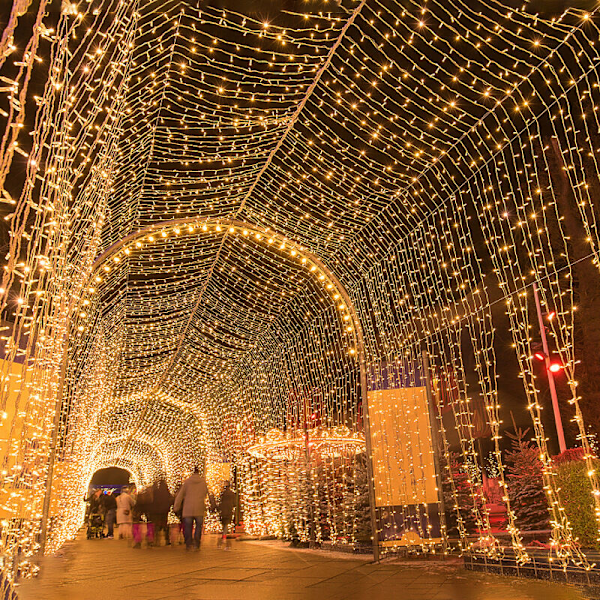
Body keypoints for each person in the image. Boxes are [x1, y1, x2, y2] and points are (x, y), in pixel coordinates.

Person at [173, 467, 210, 551]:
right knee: (198, 526)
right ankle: (197, 542)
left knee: (188, 526)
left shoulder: (187, 482)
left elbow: (180, 495)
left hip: (188, 508)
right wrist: (212, 504)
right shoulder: (203, 483)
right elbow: (208, 494)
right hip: (199, 507)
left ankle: (188, 543)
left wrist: (176, 506)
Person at [149, 479, 173, 546]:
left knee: (156, 526)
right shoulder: (167, 492)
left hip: (156, 511)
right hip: (164, 511)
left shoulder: (156, 492)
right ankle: (167, 540)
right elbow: (171, 500)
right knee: (165, 525)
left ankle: (156, 541)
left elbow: (152, 501)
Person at [217, 482, 236, 550]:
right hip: (229, 510)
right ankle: (224, 536)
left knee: (224, 524)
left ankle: (223, 536)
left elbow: (219, 502)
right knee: (226, 524)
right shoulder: (232, 494)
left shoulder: (222, 494)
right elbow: (235, 503)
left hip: (223, 511)